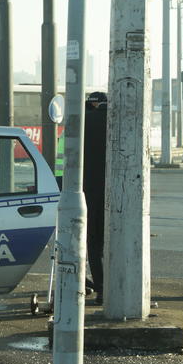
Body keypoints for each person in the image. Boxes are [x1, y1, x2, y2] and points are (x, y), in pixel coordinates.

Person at [51, 91, 107, 303]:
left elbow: (62, 163)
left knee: (86, 241)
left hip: (79, 192)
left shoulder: (77, 126)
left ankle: (91, 283)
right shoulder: (111, 122)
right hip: (108, 191)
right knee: (102, 242)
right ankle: (103, 285)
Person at [82, 91, 108, 305]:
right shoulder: (118, 122)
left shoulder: (81, 123)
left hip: (87, 191)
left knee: (93, 242)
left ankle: (100, 287)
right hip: (115, 190)